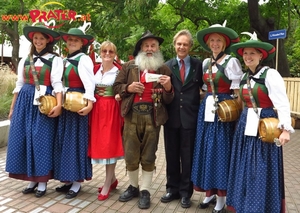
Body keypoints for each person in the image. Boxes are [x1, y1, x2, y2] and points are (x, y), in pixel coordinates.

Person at [226, 32, 295, 213]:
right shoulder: (243, 77)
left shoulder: (271, 75)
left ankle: (260, 207)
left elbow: (282, 103)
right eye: (245, 54)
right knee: (244, 166)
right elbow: (242, 101)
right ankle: (243, 205)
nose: (248, 57)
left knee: (260, 168)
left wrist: (285, 129)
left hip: (265, 126)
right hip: (245, 125)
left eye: (252, 53)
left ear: (261, 55)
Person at [113, 30, 174, 209]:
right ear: (140, 48)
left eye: (153, 45)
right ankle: (133, 186)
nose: (149, 48)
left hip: (153, 117)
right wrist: (129, 88)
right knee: (131, 154)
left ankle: (145, 190)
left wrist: (169, 87)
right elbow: (116, 88)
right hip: (132, 116)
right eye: (146, 45)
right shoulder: (129, 67)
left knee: (148, 155)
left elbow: (169, 99)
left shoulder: (164, 69)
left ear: (158, 48)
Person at [190, 21, 243, 213]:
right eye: (212, 40)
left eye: (218, 40)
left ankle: (221, 198)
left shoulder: (231, 62)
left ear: (224, 42)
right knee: (206, 149)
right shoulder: (205, 63)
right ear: (208, 43)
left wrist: (236, 116)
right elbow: (203, 91)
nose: (215, 43)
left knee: (220, 151)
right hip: (207, 109)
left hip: (224, 111)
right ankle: (209, 192)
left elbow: (237, 92)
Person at [5, 24, 63, 198]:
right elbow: (20, 85)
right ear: (32, 40)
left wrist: (58, 105)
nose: (38, 41)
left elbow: (57, 84)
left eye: (42, 38)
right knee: (24, 138)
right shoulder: (25, 59)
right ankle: (32, 179)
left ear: (47, 41)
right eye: (36, 38)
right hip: (24, 100)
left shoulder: (55, 60)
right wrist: (12, 108)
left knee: (41, 139)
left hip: (43, 101)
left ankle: (43, 181)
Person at [161, 29, 203, 208]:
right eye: (179, 44)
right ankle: (172, 188)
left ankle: (186, 192)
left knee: (188, 157)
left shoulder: (198, 65)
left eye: (185, 44)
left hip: (190, 117)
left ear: (190, 46)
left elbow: (205, 88)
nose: (182, 47)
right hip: (171, 118)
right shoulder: (167, 65)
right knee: (171, 155)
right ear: (174, 45)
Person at [53, 27, 95, 199]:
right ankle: (68, 180)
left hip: (77, 105)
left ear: (82, 43)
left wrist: (90, 103)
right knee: (64, 141)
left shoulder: (83, 59)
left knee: (76, 142)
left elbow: (90, 83)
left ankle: (77, 182)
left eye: (75, 40)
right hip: (65, 105)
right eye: (70, 40)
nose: (71, 42)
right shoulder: (63, 60)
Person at [88, 41, 124, 201]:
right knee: (101, 145)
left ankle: (108, 183)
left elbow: (125, 88)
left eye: (111, 51)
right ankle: (113, 179)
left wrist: (120, 95)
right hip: (96, 109)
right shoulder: (95, 69)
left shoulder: (119, 72)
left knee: (110, 145)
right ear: (100, 53)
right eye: (104, 51)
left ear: (115, 54)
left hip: (111, 110)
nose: (107, 54)